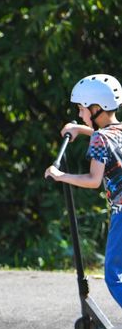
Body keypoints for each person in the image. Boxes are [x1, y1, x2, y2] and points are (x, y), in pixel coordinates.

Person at [45, 74, 122, 308]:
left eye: (81, 109)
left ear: (96, 108)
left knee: (114, 275)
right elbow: (109, 137)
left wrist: (60, 176)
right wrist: (81, 128)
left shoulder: (100, 138)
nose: (79, 114)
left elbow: (93, 179)